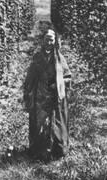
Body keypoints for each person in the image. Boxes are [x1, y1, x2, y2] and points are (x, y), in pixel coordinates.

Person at [23, 28, 71, 161]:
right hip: (40, 96)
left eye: (51, 39)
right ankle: (39, 151)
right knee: (39, 123)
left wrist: (58, 83)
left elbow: (68, 77)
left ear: (55, 41)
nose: (48, 42)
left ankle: (56, 150)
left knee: (56, 123)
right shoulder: (37, 57)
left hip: (55, 97)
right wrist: (27, 92)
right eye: (46, 39)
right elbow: (30, 76)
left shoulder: (59, 58)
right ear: (43, 41)